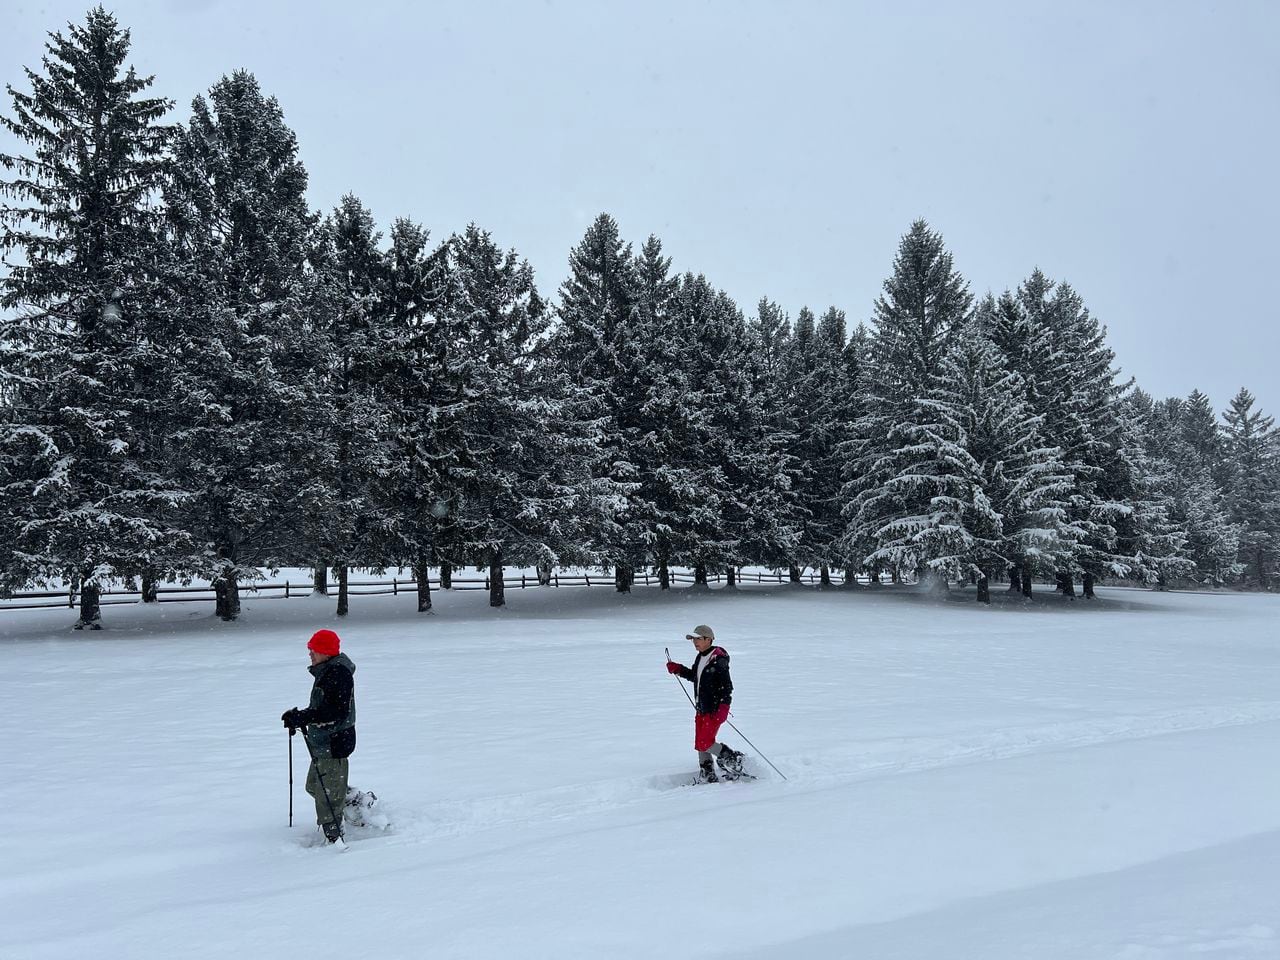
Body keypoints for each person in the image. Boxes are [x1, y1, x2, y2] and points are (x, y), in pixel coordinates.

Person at [282, 629, 357, 843]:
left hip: (335, 742)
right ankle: (353, 802)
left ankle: (334, 837)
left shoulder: (338, 674)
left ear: (326, 651)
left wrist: (304, 717)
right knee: (315, 786)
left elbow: (336, 712)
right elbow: (323, 706)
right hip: (324, 742)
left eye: (313, 650)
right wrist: (300, 716)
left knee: (327, 797)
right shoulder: (328, 671)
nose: (310, 654)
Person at [665, 624, 745, 782]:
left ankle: (733, 759)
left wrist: (724, 708)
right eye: (693, 639)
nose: (695, 642)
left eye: (698, 639)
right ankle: (708, 774)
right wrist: (678, 669)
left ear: (708, 639)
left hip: (714, 709)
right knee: (700, 743)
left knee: (705, 742)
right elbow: (696, 676)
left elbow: (727, 687)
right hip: (701, 707)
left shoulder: (718, 659)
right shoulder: (700, 656)